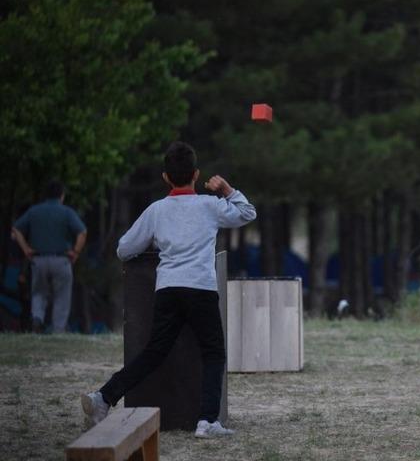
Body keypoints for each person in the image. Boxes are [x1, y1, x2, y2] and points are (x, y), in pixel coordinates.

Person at [81, 141, 256, 438]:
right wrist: (226, 189)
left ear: (165, 177)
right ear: (196, 174)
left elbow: (124, 249)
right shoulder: (210, 206)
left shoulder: (156, 210)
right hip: (201, 288)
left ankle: (104, 397)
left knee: (154, 352)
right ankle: (207, 421)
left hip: (167, 289)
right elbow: (247, 213)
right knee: (213, 354)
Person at [11, 180, 87, 333]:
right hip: (61, 259)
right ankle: (59, 329)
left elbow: (16, 229)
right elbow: (82, 232)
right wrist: (76, 252)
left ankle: (37, 318)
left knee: (38, 292)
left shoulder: (34, 211)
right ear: (62, 195)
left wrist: (26, 248)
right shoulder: (66, 212)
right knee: (62, 296)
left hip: (38, 260)